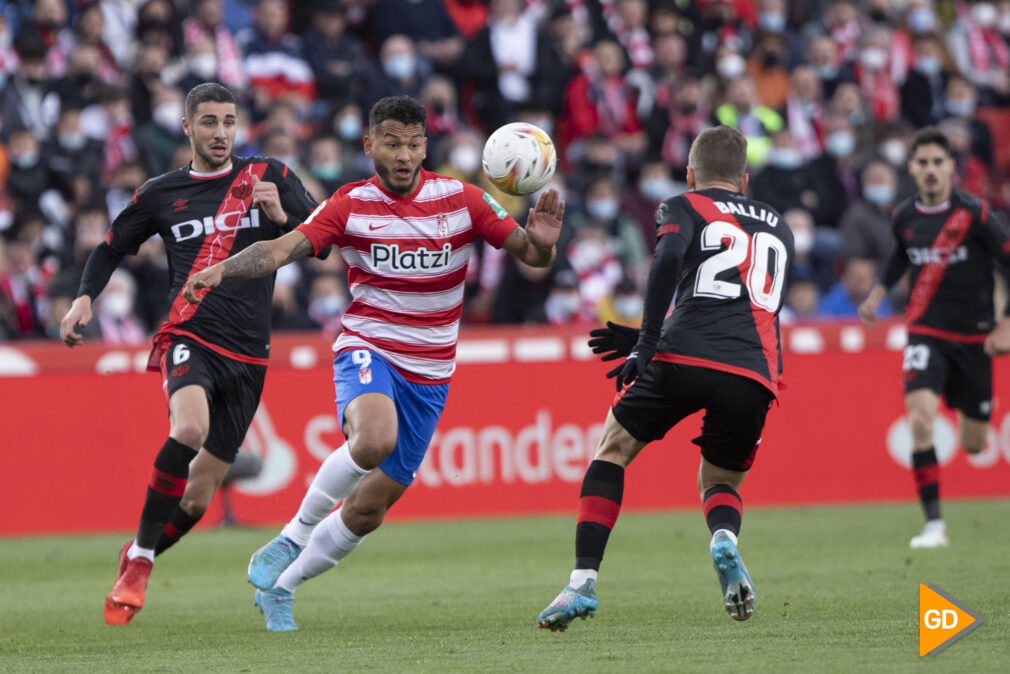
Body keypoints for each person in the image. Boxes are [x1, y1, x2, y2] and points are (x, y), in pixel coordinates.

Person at [181, 95, 565, 631]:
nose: (403, 155)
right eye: (391, 142)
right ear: (369, 145)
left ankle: (282, 588)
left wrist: (543, 246)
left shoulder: (465, 201)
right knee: (373, 439)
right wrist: (222, 268)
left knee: (367, 511)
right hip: (369, 347)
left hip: (431, 373)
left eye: (413, 143)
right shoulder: (349, 204)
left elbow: (529, 253)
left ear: (425, 146)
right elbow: (281, 248)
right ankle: (289, 538)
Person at [58, 83, 322, 625]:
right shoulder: (162, 193)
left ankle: (137, 551)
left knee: (198, 500)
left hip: (250, 355)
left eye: (228, 121)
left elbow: (323, 239)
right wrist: (85, 298)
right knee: (190, 430)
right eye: (208, 122)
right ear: (187, 127)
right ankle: (140, 567)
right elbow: (111, 246)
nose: (220, 132)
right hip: (190, 334)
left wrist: (280, 219)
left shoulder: (268, 177)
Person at [535, 126, 793, 631]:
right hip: (754, 371)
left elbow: (670, 262)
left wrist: (648, 340)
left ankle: (582, 582)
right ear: (744, 179)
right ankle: (723, 539)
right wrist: (645, 337)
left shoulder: (683, 205)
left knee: (612, 450)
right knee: (720, 479)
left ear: (691, 173)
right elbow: (735, 301)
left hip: (681, 356)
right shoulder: (779, 224)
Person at [858, 127, 1010, 549]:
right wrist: (877, 293)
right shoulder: (904, 216)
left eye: (937, 162)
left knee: (974, 443)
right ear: (911, 167)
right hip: (925, 331)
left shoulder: (976, 214)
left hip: (976, 338)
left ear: (951, 168)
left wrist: (1006, 322)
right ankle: (934, 526)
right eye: (921, 162)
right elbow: (899, 256)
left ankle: (970, 405)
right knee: (920, 419)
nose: (929, 170)